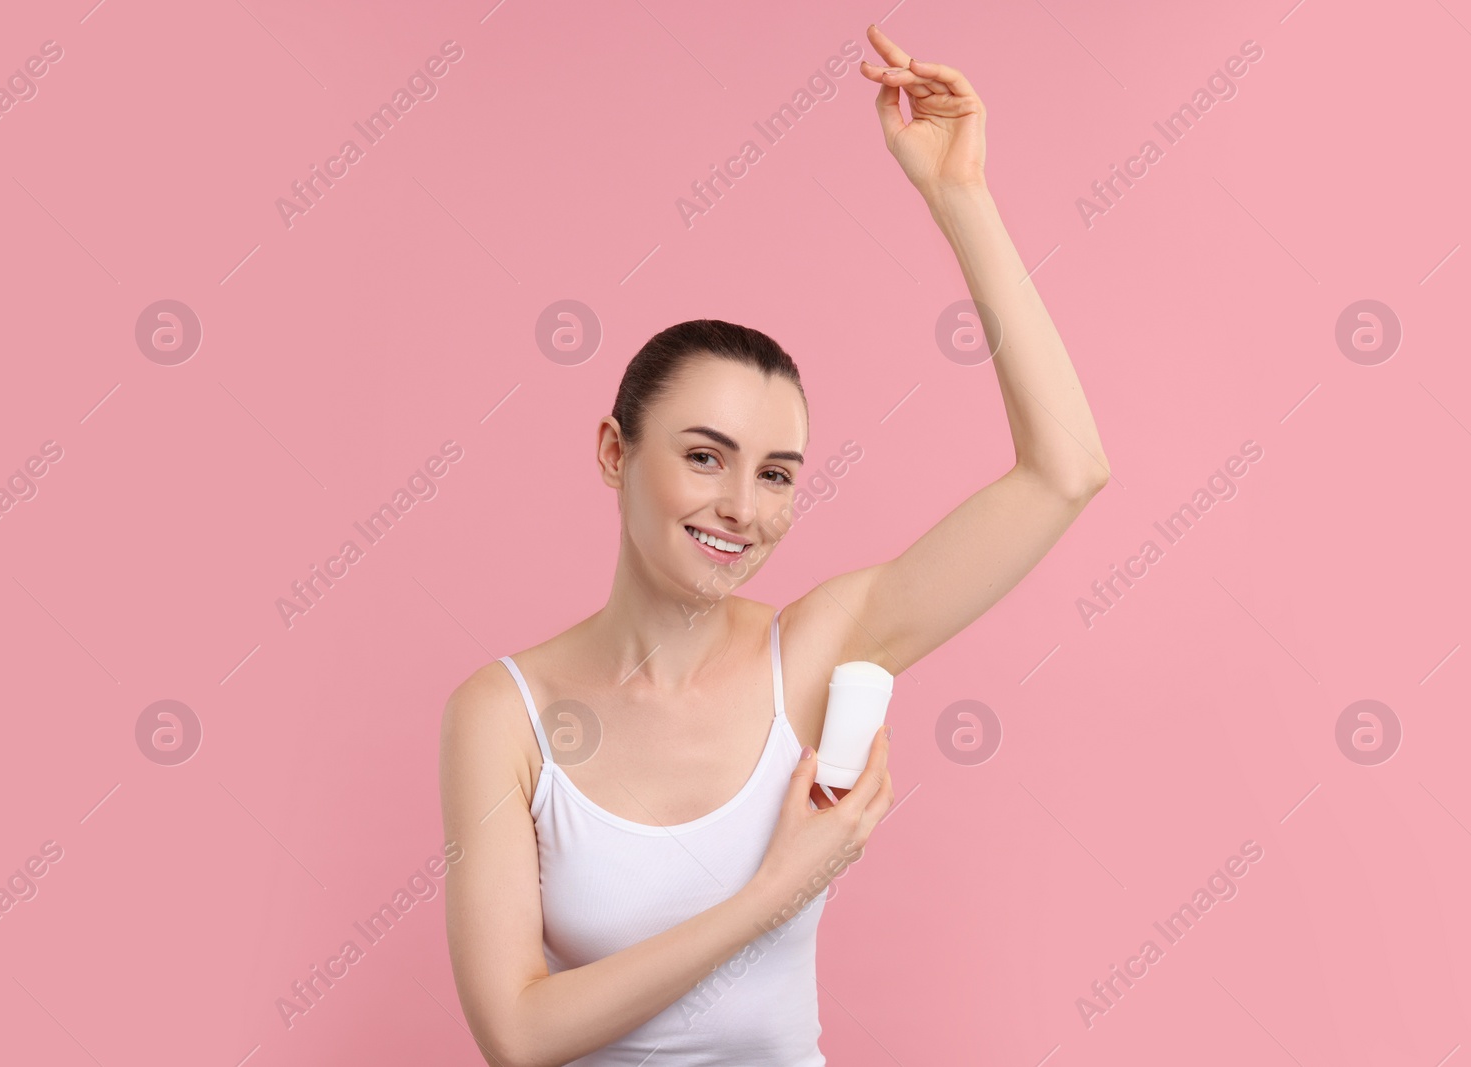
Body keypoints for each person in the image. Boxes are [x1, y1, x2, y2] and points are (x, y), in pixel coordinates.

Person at [439, 23, 1109, 1067]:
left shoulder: (817, 650)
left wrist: (958, 197)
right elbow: (518, 1032)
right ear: (616, 450)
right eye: (705, 457)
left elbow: (1065, 471)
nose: (741, 507)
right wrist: (773, 891)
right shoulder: (504, 714)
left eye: (777, 472)